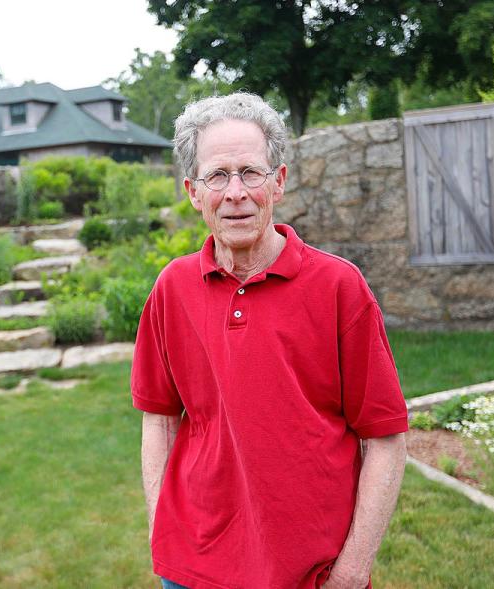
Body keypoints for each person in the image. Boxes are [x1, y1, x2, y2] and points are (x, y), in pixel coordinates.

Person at [131, 93, 409, 589]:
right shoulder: (172, 289)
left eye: (250, 173)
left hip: (311, 573)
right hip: (193, 569)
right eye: (218, 176)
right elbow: (159, 417)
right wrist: (162, 525)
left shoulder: (339, 287)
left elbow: (385, 437)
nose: (235, 192)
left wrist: (351, 572)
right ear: (194, 192)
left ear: (277, 182)